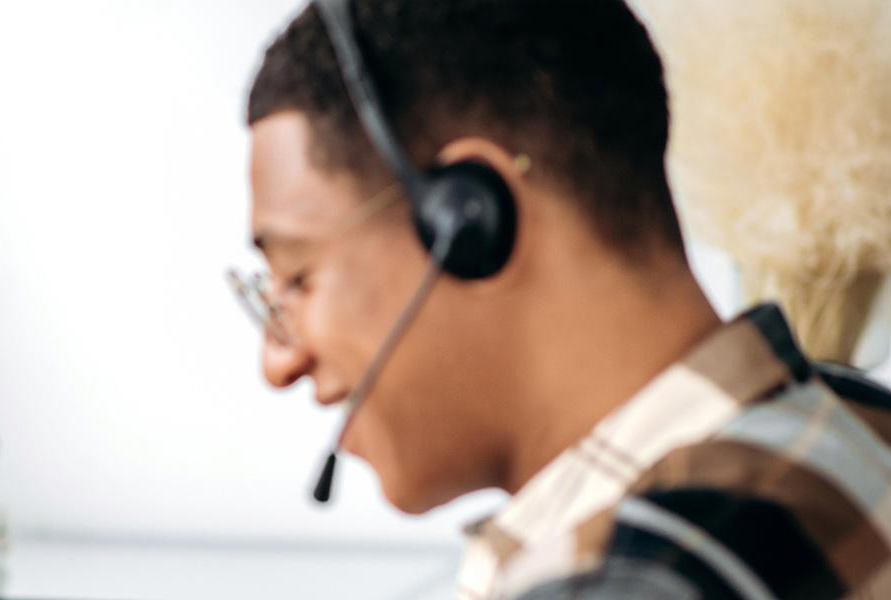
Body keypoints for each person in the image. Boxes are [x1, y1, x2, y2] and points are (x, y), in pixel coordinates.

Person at [240, 0, 891, 597]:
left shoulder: (633, 579)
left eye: (298, 278)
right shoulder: (859, 424)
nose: (279, 363)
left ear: (471, 222)